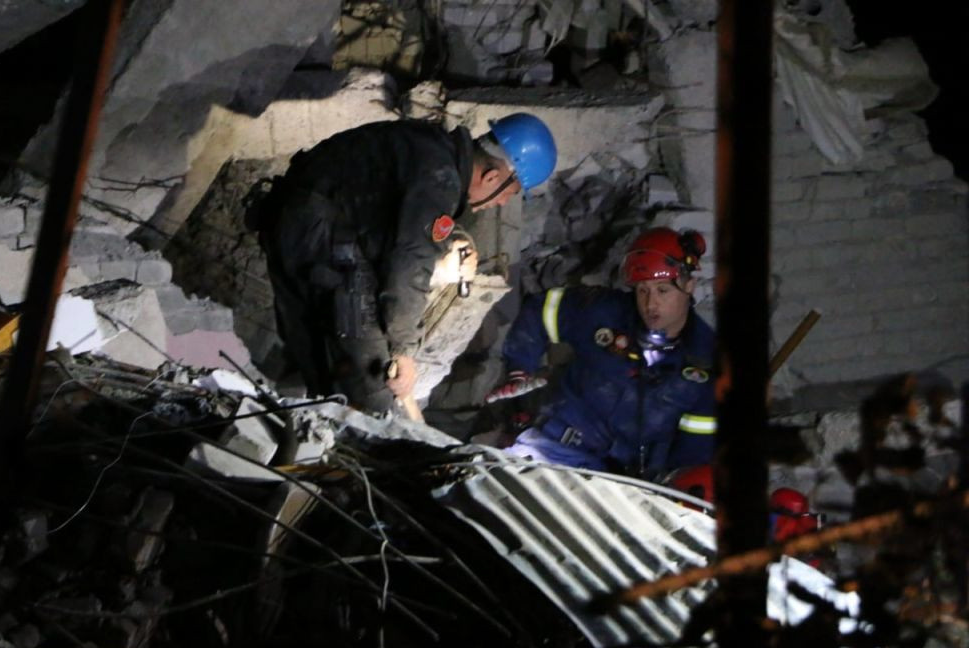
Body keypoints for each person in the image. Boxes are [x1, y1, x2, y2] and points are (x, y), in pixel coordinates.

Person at [253, 113, 557, 413]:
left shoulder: (430, 146)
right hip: (325, 238)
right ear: (492, 178)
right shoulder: (442, 180)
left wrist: (448, 246)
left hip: (288, 222)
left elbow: (392, 218)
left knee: (316, 366)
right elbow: (409, 265)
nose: (501, 203)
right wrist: (403, 350)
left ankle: (306, 429)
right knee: (374, 388)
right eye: (509, 194)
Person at [486, 226, 717, 479]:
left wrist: (673, 485)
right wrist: (519, 368)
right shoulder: (605, 311)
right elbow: (541, 311)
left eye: (663, 290)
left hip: (627, 481)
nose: (651, 304)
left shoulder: (705, 362)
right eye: (643, 290)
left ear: (689, 285)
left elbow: (695, 451)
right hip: (554, 450)